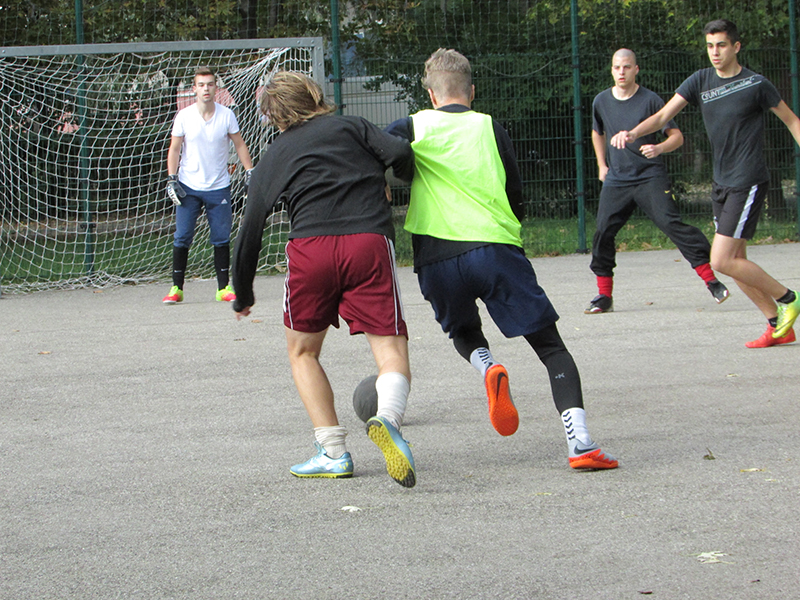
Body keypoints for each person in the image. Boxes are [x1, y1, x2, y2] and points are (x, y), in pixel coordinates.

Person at [386, 49, 618, 470]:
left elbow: (380, 149)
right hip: (493, 249)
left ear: (431, 95)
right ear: (471, 91)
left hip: (436, 257)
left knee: (463, 331)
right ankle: (580, 444)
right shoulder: (489, 126)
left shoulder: (413, 125)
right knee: (551, 349)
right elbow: (514, 190)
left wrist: (396, 174)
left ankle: (488, 367)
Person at [231, 71, 417, 488]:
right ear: (315, 96)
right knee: (389, 348)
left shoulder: (276, 154)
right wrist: (395, 175)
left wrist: (243, 292)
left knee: (303, 353)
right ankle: (388, 420)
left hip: (310, 250)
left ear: (273, 116)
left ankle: (332, 452)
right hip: (367, 243)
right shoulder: (352, 127)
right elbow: (401, 151)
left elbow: (251, 226)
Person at [611, 19, 800, 348]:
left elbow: (792, 120)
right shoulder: (700, 80)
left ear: (736, 47)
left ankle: (789, 299)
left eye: (721, 45)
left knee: (721, 260)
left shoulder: (755, 83)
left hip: (747, 179)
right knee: (735, 262)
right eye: (710, 45)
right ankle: (776, 326)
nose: (715, 52)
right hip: (721, 182)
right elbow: (662, 116)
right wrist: (633, 132)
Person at [587, 48, 728, 314]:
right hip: (617, 179)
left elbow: (677, 137)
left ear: (636, 69)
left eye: (627, 67)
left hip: (649, 176)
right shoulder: (601, 101)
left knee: (671, 223)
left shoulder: (651, 100)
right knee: (603, 231)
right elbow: (598, 133)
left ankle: (712, 281)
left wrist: (658, 148)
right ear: (611, 70)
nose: (621, 72)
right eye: (617, 67)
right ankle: (604, 296)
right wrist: (601, 165)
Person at [163, 66, 254, 305]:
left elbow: (240, 144)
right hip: (188, 186)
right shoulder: (184, 116)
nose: (206, 89)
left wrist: (250, 171)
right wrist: (172, 178)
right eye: (201, 85)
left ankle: (223, 288)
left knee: (221, 237)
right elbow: (174, 148)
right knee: (182, 236)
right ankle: (176, 288)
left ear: (216, 87)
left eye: (210, 84)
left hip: (219, 187)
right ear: (194, 89)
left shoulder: (227, 115)